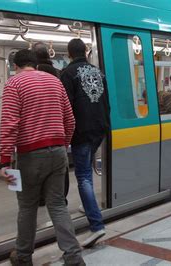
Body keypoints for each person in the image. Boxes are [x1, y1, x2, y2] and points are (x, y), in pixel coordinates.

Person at [0, 49, 84, 266]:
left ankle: (23, 256)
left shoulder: (14, 84)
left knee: (27, 206)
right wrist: (63, 146)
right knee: (57, 205)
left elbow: (9, 124)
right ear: (35, 64)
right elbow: (70, 120)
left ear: (15, 66)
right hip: (58, 152)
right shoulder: (55, 82)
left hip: (29, 155)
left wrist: (4, 160)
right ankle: (74, 257)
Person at [60, 39, 109, 248]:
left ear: (70, 53)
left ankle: (96, 225)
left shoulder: (68, 73)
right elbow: (106, 102)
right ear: (86, 52)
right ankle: (88, 205)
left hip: (81, 130)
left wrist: (64, 134)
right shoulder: (99, 72)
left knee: (83, 177)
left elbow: (66, 106)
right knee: (87, 171)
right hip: (100, 128)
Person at [33, 42, 70, 208]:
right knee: (60, 169)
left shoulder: (33, 74)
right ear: (49, 55)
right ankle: (61, 197)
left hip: (38, 129)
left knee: (38, 169)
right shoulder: (58, 73)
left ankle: (41, 198)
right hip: (58, 128)